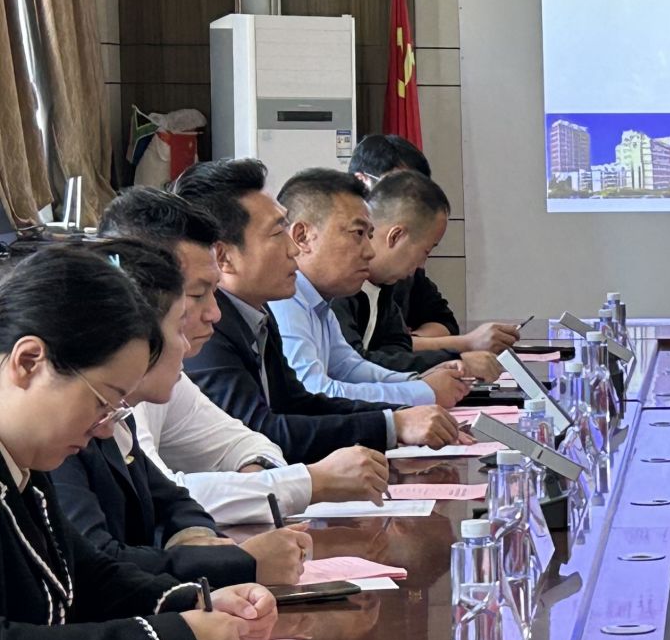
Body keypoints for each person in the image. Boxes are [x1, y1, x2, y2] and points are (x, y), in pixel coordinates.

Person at [0, 246, 275, 640]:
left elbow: (86, 575)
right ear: (29, 362)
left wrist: (193, 601)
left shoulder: (27, 461)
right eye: (102, 401)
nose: (106, 427)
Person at [98, 186, 390, 524]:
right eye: (196, 294)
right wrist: (310, 482)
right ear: (139, 292)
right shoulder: (105, 387)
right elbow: (157, 498)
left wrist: (258, 479)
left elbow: (249, 443)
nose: (214, 312)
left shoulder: (168, 373)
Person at [51, 240, 310, 588]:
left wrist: (196, 538)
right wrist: (236, 563)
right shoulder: (68, 433)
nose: (186, 346)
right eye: (178, 327)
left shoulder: (114, 416)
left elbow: (174, 499)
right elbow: (96, 565)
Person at [176, 159, 461, 459]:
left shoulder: (257, 315)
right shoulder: (208, 325)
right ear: (224, 257)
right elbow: (259, 431)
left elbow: (300, 403)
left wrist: (398, 417)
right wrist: (393, 423)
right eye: (277, 234)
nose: (292, 249)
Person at [270, 168, 466, 408]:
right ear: (303, 237)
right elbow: (315, 392)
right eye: (358, 233)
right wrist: (423, 391)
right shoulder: (284, 300)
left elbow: (349, 367)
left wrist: (417, 381)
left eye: (369, 235)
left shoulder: (318, 301)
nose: (370, 251)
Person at [349, 134, 519, 356]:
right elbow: (356, 360)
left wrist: (407, 344)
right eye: (399, 187)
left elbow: (440, 322)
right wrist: (461, 348)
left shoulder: (392, 275)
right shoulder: (342, 275)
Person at [337, 171, 496, 380]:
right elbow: (352, 366)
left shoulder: (385, 286)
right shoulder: (338, 287)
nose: (422, 265)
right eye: (425, 251)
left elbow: (396, 351)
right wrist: (455, 360)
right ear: (396, 236)